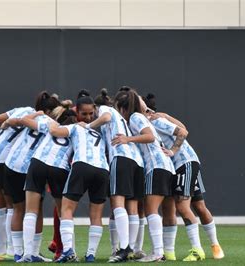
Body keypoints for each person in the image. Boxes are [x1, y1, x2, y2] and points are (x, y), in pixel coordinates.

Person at [149, 110, 223, 261]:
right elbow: (182, 126)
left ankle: (198, 249)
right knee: (195, 206)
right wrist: (168, 116)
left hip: (185, 163)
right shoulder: (149, 122)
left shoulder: (154, 121)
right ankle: (170, 252)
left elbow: (183, 131)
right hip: (177, 167)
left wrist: (173, 150)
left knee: (183, 206)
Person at [112, 89, 175, 262]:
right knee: (153, 209)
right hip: (163, 166)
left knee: (151, 210)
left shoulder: (135, 117)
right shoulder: (138, 117)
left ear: (123, 109)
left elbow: (148, 137)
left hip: (156, 166)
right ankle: (155, 251)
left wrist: (127, 139)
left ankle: (158, 252)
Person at [86, 88, 145, 262]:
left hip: (121, 157)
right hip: (136, 161)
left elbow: (105, 117)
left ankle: (124, 248)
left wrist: (87, 126)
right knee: (132, 207)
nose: (91, 116)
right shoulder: (123, 119)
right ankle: (131, 248)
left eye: (92, 112)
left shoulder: (106, 110)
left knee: (117, 203)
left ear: (97, 106)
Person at [49, 94, 109, 263]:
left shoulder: (76, 127)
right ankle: (91, 254)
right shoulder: (99, 133)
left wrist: (46, 119)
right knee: (96, 215)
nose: (88, 117)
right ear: (77, 112)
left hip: (82, 165)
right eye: (85, 114)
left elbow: (54, 130)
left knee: (66, 209)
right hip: (103, 170)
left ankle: (68, 250)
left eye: (90, 114)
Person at [2, 91, 60, 261]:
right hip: (30, 168)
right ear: (50, 112)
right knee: (36, 210)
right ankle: (33, 252)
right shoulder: (51, 124)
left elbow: (14, 122)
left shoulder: (32, 117)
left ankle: (18, 252)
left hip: (11, 164)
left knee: (17, 209)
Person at [18, 101, 77, 262]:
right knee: (64, 211)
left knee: (31, 210)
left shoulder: (51, 125)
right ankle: (69, 251)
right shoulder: (76, 132)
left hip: (38, 162)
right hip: (59, 167)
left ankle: (28, 253)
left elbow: (24, 120)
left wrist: (39, 114)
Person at [0, 106, 34, 261]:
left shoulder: (23, 109)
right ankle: (12, 249)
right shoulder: (41, 121)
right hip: (5, 162)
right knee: (13, 206)